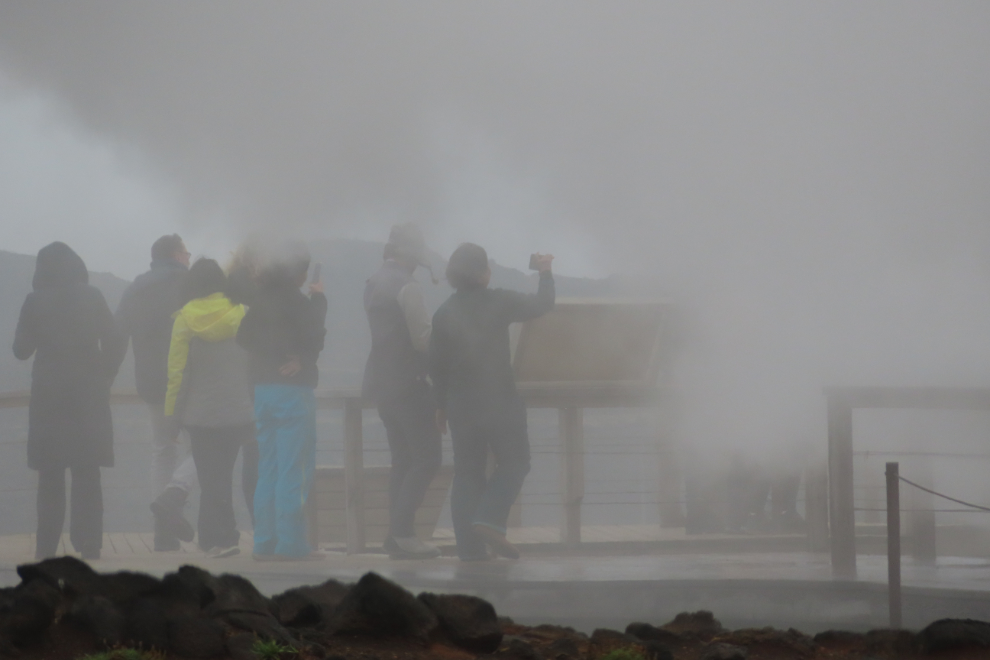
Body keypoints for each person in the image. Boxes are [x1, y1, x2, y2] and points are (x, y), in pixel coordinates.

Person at [429, 243, 554, 561]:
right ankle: (490, 519)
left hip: (460, 404)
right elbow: (542, 304)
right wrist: (544, 271)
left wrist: (440, 406)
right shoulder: (498, 300)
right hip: (498, 399)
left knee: (467, 472)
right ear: (483, 273)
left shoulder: (444, 312)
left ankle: (469, 551)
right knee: (515, 461)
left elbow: (437, 365)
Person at [13, 242, 127, 560]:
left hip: (49, 397)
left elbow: (20, 350)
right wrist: (105, 372)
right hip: (89, 394)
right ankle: (89, 544)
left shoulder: (34, 301)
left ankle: (46, 548)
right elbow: (116, 338)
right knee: (87, 470)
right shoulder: (92, 296)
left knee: (50, 474)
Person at [237, 243, 327, 560]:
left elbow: (243, 337)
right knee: (295, 469)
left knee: (269, 468)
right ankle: (291, 544)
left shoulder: (260, 299)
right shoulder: (299, 301)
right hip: (292, 393)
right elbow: (316, 335)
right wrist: (319, 299)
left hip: (263, 392)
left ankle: (264, 541)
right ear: (299, 273)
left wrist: (272, 354)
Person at [164, 258, 254, 558]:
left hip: (199, 415)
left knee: (210, 477)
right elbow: (254, 363)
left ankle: (221, 538)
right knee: (222, 475)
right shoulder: (242, 313)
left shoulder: (184, 319)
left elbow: (177, 373)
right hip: (238, 410)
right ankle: (213, 537)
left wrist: (171, 418)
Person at [362, 224, 442, 559]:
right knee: (427, 458)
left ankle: (395, 537)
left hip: (381, 383)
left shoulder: (374, 282)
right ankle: (404, 532)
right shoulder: (407, 287)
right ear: (412, 256)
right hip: (409, 383)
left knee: (402, 460)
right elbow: (423, 338)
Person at [114, 234, 197, 550]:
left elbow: (118, 332)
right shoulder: (190, 284)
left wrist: (106, 374)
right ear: (177, 255)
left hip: (151, 383)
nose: (189, 258)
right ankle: (174, 499)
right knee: (202, 447)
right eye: (187, 253)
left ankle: (163, 534)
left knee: (162, 450)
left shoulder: (136, 288)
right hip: (190, 380)